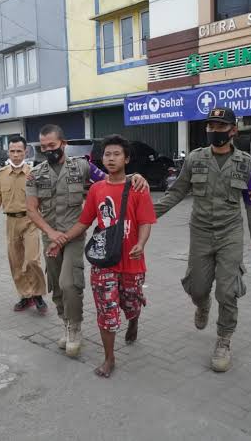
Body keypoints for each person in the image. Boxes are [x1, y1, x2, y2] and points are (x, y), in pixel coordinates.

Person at [154, 107, 251, 373]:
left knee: (227, 291)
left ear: (233, 131)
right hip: (201, 232)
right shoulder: (195, 159)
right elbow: (176, 192)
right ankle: (202, 304)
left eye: (220, 127)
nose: (215, 131)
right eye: (211, 126)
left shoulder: (245, 163)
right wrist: (146, 215)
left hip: (230, 233)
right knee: (197, 287)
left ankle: (224, 339)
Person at [26, 124, 148, 358]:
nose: (48, 150)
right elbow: (31, 210)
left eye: (52, 145)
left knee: (69, 283)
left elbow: (110, 177)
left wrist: (136, 176)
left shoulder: (82, 166)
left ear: (63, 143)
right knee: (56, 286)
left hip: (73, 236)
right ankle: (65, 321)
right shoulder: (35, 174)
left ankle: (75, 327)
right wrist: (51, 234)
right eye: (43, 147)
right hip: (50, 238)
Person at [47, 135, 156, 378]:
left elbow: (146, 221)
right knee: (106, 311)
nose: (111, 158)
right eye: (107, 154)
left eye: (117, 154)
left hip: (132, 261)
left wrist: (140, 243)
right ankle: (109, 358)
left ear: (126, 158)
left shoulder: (138, 187)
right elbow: (84, 222)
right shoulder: (96, 189)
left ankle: (134, 318)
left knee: (130, 303)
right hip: (104, 260)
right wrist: (61, 240)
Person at [0, 135, 48, 313]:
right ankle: (25, 295)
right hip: (11, 222)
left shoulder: (33, 173)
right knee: (15, 262)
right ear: (8, 152)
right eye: (12, 151)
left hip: (30, 221)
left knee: (32, 260)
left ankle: (37, 294)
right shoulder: (1, 174)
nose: (15, 155)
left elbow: (42, 199)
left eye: (19, 151)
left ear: (25, 152)